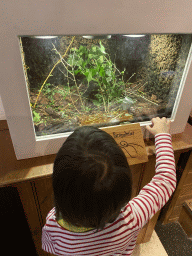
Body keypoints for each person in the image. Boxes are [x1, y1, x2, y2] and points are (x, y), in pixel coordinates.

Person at [42, 117, 176, 256]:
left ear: (58, 185)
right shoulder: (133, 217)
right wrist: (162, 135)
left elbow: (50, 248)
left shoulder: (54, 224)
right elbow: (166, 181)